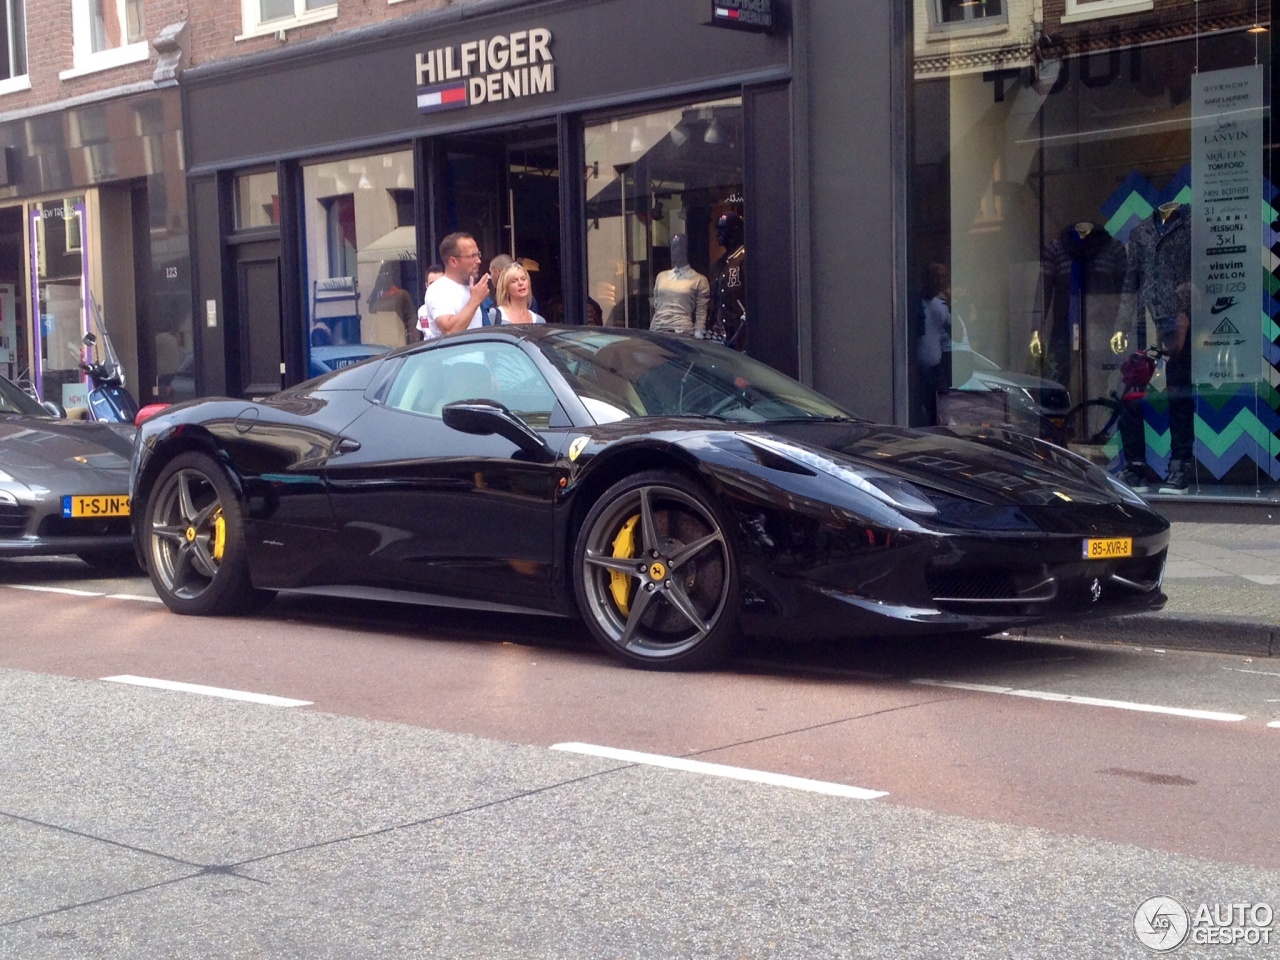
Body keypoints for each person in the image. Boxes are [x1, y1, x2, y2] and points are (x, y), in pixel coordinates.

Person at [1116, 201, 1194, 494]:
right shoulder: (1141, 232)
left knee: (1178, 392)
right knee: (1132, 395)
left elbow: (1198, 272)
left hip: (1179, 318)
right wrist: (1121, 325)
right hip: (1144, 319)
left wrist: (1185, 304)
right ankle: (1135, 466)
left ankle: (1179, 466)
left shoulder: (1191, 225)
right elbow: (1130, 279)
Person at [419, 234, 489, 340]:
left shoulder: (469, 288)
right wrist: (475, 300)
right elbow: (449, 330)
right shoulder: (439, 289)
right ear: (453, 261)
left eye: (478, 254)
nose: (478, 261)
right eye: (472, 256)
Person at [649, 234, 710, 338]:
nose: (674, 252)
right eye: (672, 247)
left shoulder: (699, 280)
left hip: (682, 333)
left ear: (686, 250)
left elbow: (701, 312)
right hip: (658, 330)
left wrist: (698, 333)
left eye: (678, 248)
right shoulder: (661, 277)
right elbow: (657, 306)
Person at [916, 262, 953, 425]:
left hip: (934, 371)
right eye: (935, 276)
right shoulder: (913, 303)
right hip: (915, 373)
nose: (939, 281)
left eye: (942, 277)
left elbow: (956, 335)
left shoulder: (941, 307)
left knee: (941, 416)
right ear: (926, 278)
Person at [709, 212, 745, 348]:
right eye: (718, 229)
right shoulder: (718, 265)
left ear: (735, 230)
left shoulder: (744, 258)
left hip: (739, 333)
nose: (718, 233)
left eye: (723, 229)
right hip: (718, 334)